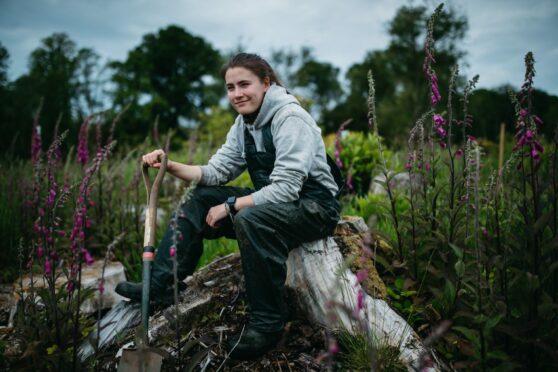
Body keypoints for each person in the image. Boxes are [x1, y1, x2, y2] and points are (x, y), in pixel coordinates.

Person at [115, 52, 341, 360]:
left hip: (314, 208)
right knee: (203, 197)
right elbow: (214, 172)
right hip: (275, 205)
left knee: (250, 217)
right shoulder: (244, 124)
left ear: (266, 83)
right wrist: (169, 163)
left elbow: (288, 188)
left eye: (244, 84)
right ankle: (161, 285)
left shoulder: (290, 117)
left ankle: (267, 323)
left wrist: (232, 206)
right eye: (230, 87)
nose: (236, 94)